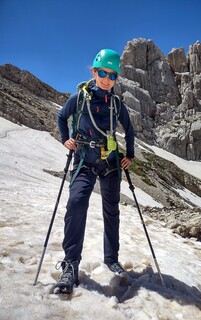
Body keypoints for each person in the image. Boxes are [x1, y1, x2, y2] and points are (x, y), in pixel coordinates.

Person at [54, 49, 135, 294]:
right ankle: (70, 265)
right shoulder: (80, 97)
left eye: (112, 75)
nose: (107, 79)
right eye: (102, 72)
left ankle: (111, 259)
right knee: (77, 203)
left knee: (111, 210)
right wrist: (65, 139)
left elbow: (129, 130)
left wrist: (129, 155)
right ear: (94, 72)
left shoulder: (117, 104)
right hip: (84, 161)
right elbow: (61, 116)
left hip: (110, 162)